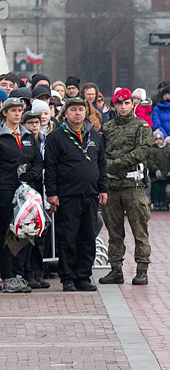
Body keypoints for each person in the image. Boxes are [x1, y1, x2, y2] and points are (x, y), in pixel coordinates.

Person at [44, 97, 108, 292]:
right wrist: (52, 193)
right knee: (68, 238)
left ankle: (83, 276)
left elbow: (102, 163)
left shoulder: (95, 136)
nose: (78, 113)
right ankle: (68, 277)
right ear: (65, 113)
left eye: (81, 109)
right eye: (73, 109)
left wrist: (103, 188)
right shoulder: (56, 137)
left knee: (88, 237)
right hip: (67, 195)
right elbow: (51, 167)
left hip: (90, 194)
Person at [98, 89, 155, 286]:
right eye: (119, 103)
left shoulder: (142, 126)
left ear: (133, 104)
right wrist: (108, 166)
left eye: (127, 103)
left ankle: (142, 269)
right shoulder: (107, 128)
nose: (123, 107)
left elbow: (142, 151)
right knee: (114, 232)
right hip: (112, 186)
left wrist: (117, 163)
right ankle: (115, 269)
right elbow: (99, 153)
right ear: (114, 105)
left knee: (139, 230)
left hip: (133, 185)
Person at [0, 98, 43, 293]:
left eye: (19, 110)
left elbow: (38, 161)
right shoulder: (1, 136)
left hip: (26, 193)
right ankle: (8, 276)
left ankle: (19, 274)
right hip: (5, 191)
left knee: (25, 231)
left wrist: (32, 174)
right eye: (13, 111)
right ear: (5, 113)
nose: (17, 114)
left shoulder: (27, 135)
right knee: (6, 234)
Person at [148, 129, 170, 211]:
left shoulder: (167, 150)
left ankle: (163, 203)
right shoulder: (152, 150)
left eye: (160, 139)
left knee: (163, 190)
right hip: (155, 176)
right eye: (156, 139)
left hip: (165, 175)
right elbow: (150, 161)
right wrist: (155, 169)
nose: (158, 141)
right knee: (155, 190)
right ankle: (155, 203)